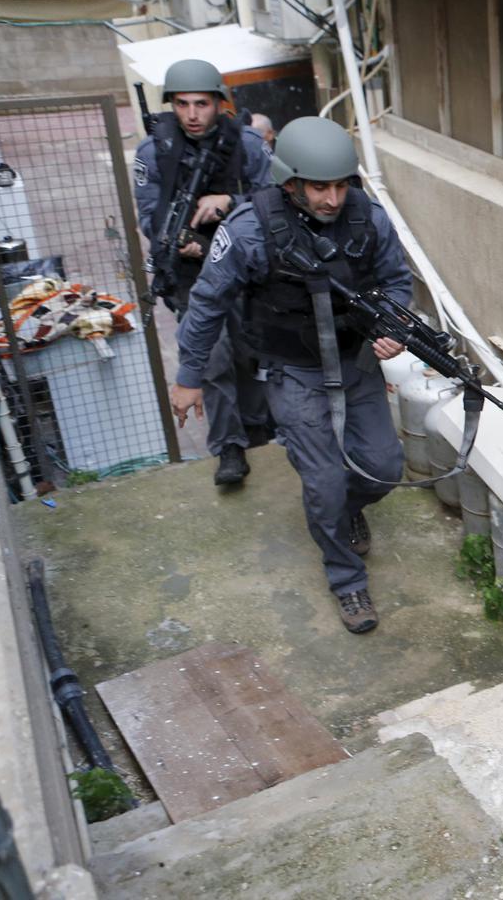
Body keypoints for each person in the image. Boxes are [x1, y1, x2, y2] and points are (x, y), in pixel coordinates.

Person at [168, 116, 411, 634]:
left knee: (385, 467)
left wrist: (391, 328)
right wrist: (189, 376)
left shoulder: (369, 217)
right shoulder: (250, 229)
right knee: (323, 482)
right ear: (290, 182)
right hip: (292, 372)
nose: (333, 199)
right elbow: (207, 304)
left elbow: (396, 282)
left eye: (341, 185)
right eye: (320, 187)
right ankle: (346, 578)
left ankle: (345, 510)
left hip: (356, 363)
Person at [134, 59, 273, 485]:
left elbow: (276, 200)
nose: (192, 114)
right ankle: (229, 445)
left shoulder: (247, 144)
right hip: (190, 272)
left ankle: (258, 430)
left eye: (201, 104)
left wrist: (230, 202)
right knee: (211, 358)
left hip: (246, 264)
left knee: (251, 351)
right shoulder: (154, 151)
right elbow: (148, 216)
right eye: (182, 104)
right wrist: (181, 243)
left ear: (218, 103)